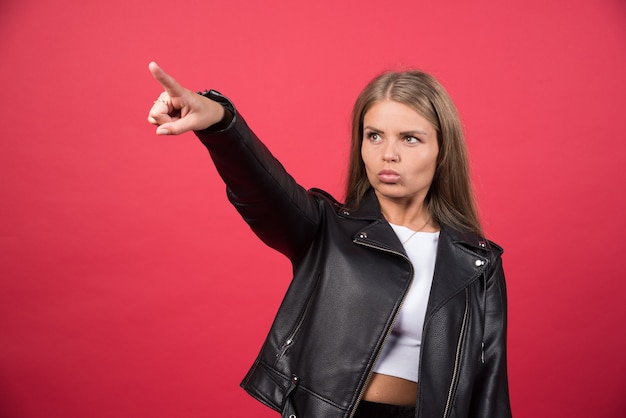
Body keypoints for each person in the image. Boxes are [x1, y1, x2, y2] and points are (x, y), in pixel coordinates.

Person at [147, 61, 512, 418]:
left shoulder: (475, 262)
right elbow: (263, 189)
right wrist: (220, 123)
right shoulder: (327, 229)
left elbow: (489, 390)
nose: (388, 154)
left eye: (410, 138)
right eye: (374, 136)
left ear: (442, 150)